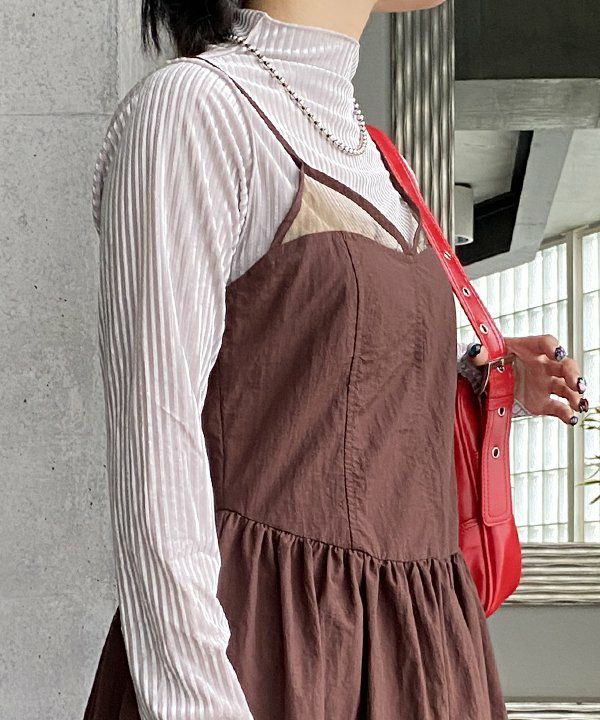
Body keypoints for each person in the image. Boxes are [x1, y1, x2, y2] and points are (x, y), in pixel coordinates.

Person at [83, 1, 589, 718]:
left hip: (424, 650)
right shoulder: (195, 109)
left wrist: (474, 376)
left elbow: (323, 375)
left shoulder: (375, 151)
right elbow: (155, 451)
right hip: (276, 648)